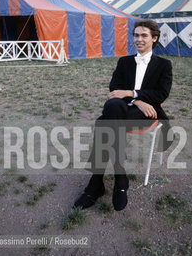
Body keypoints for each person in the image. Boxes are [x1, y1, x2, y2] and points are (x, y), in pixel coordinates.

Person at [73, 19, 173, 211]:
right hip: (129, 107)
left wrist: (131, 94)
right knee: (113, 107)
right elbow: (114, 88)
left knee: (105, 123)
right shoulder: (124, 61)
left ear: (154, 38)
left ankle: (96, 184)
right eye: (136, 35)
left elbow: (161, 94)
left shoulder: (164, 65)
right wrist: (136, 99)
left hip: (147, 113)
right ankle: (120, 179)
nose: (139, 39)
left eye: (144, 35)